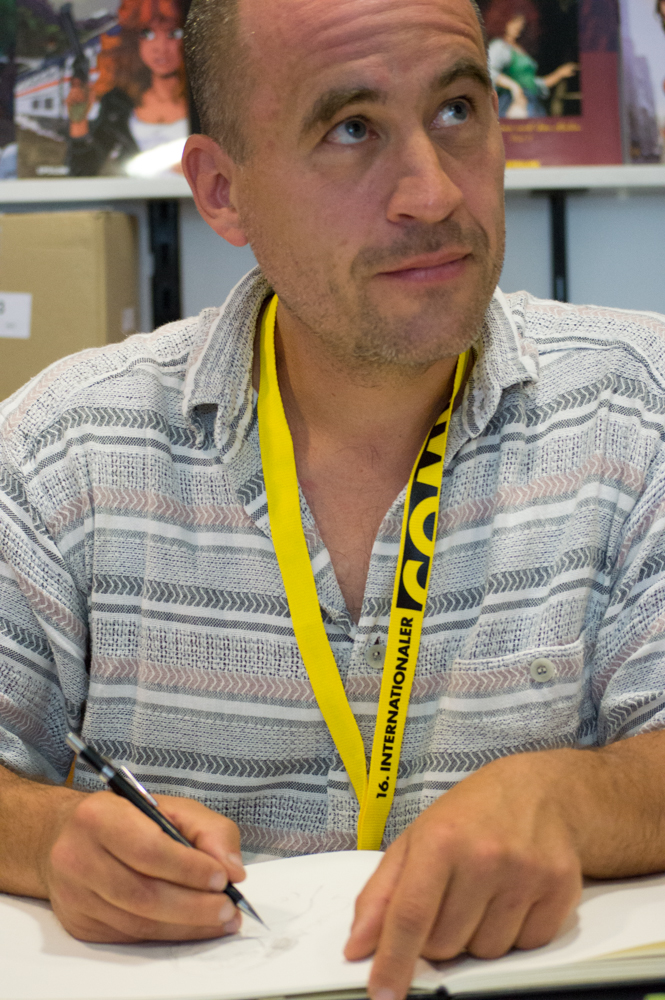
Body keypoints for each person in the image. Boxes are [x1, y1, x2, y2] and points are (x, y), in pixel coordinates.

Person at [2, 2, 665, 1000]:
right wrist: (47, 836)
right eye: (351, 129)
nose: (431, 193)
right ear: (222, 192)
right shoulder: (65, 449)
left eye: (456, 110)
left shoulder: (637, 411)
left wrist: (570, 801)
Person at [66, 0, 188, 176]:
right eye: (147, 34)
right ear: (133, 39)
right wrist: (78, 122)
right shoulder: (118, 103)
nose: (160, 47)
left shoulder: (205, 98)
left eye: (173, 33)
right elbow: (82, 171)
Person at [484, 0, 577, 117]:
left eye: (522, 23)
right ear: (503, 22)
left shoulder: (520, 50)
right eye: (514, 21)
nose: (518, 26)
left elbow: (533, 84)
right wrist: (514, 87)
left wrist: (560, 74)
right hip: (514, 103)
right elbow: (488, 72)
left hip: (532, 104)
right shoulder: (499, 46)